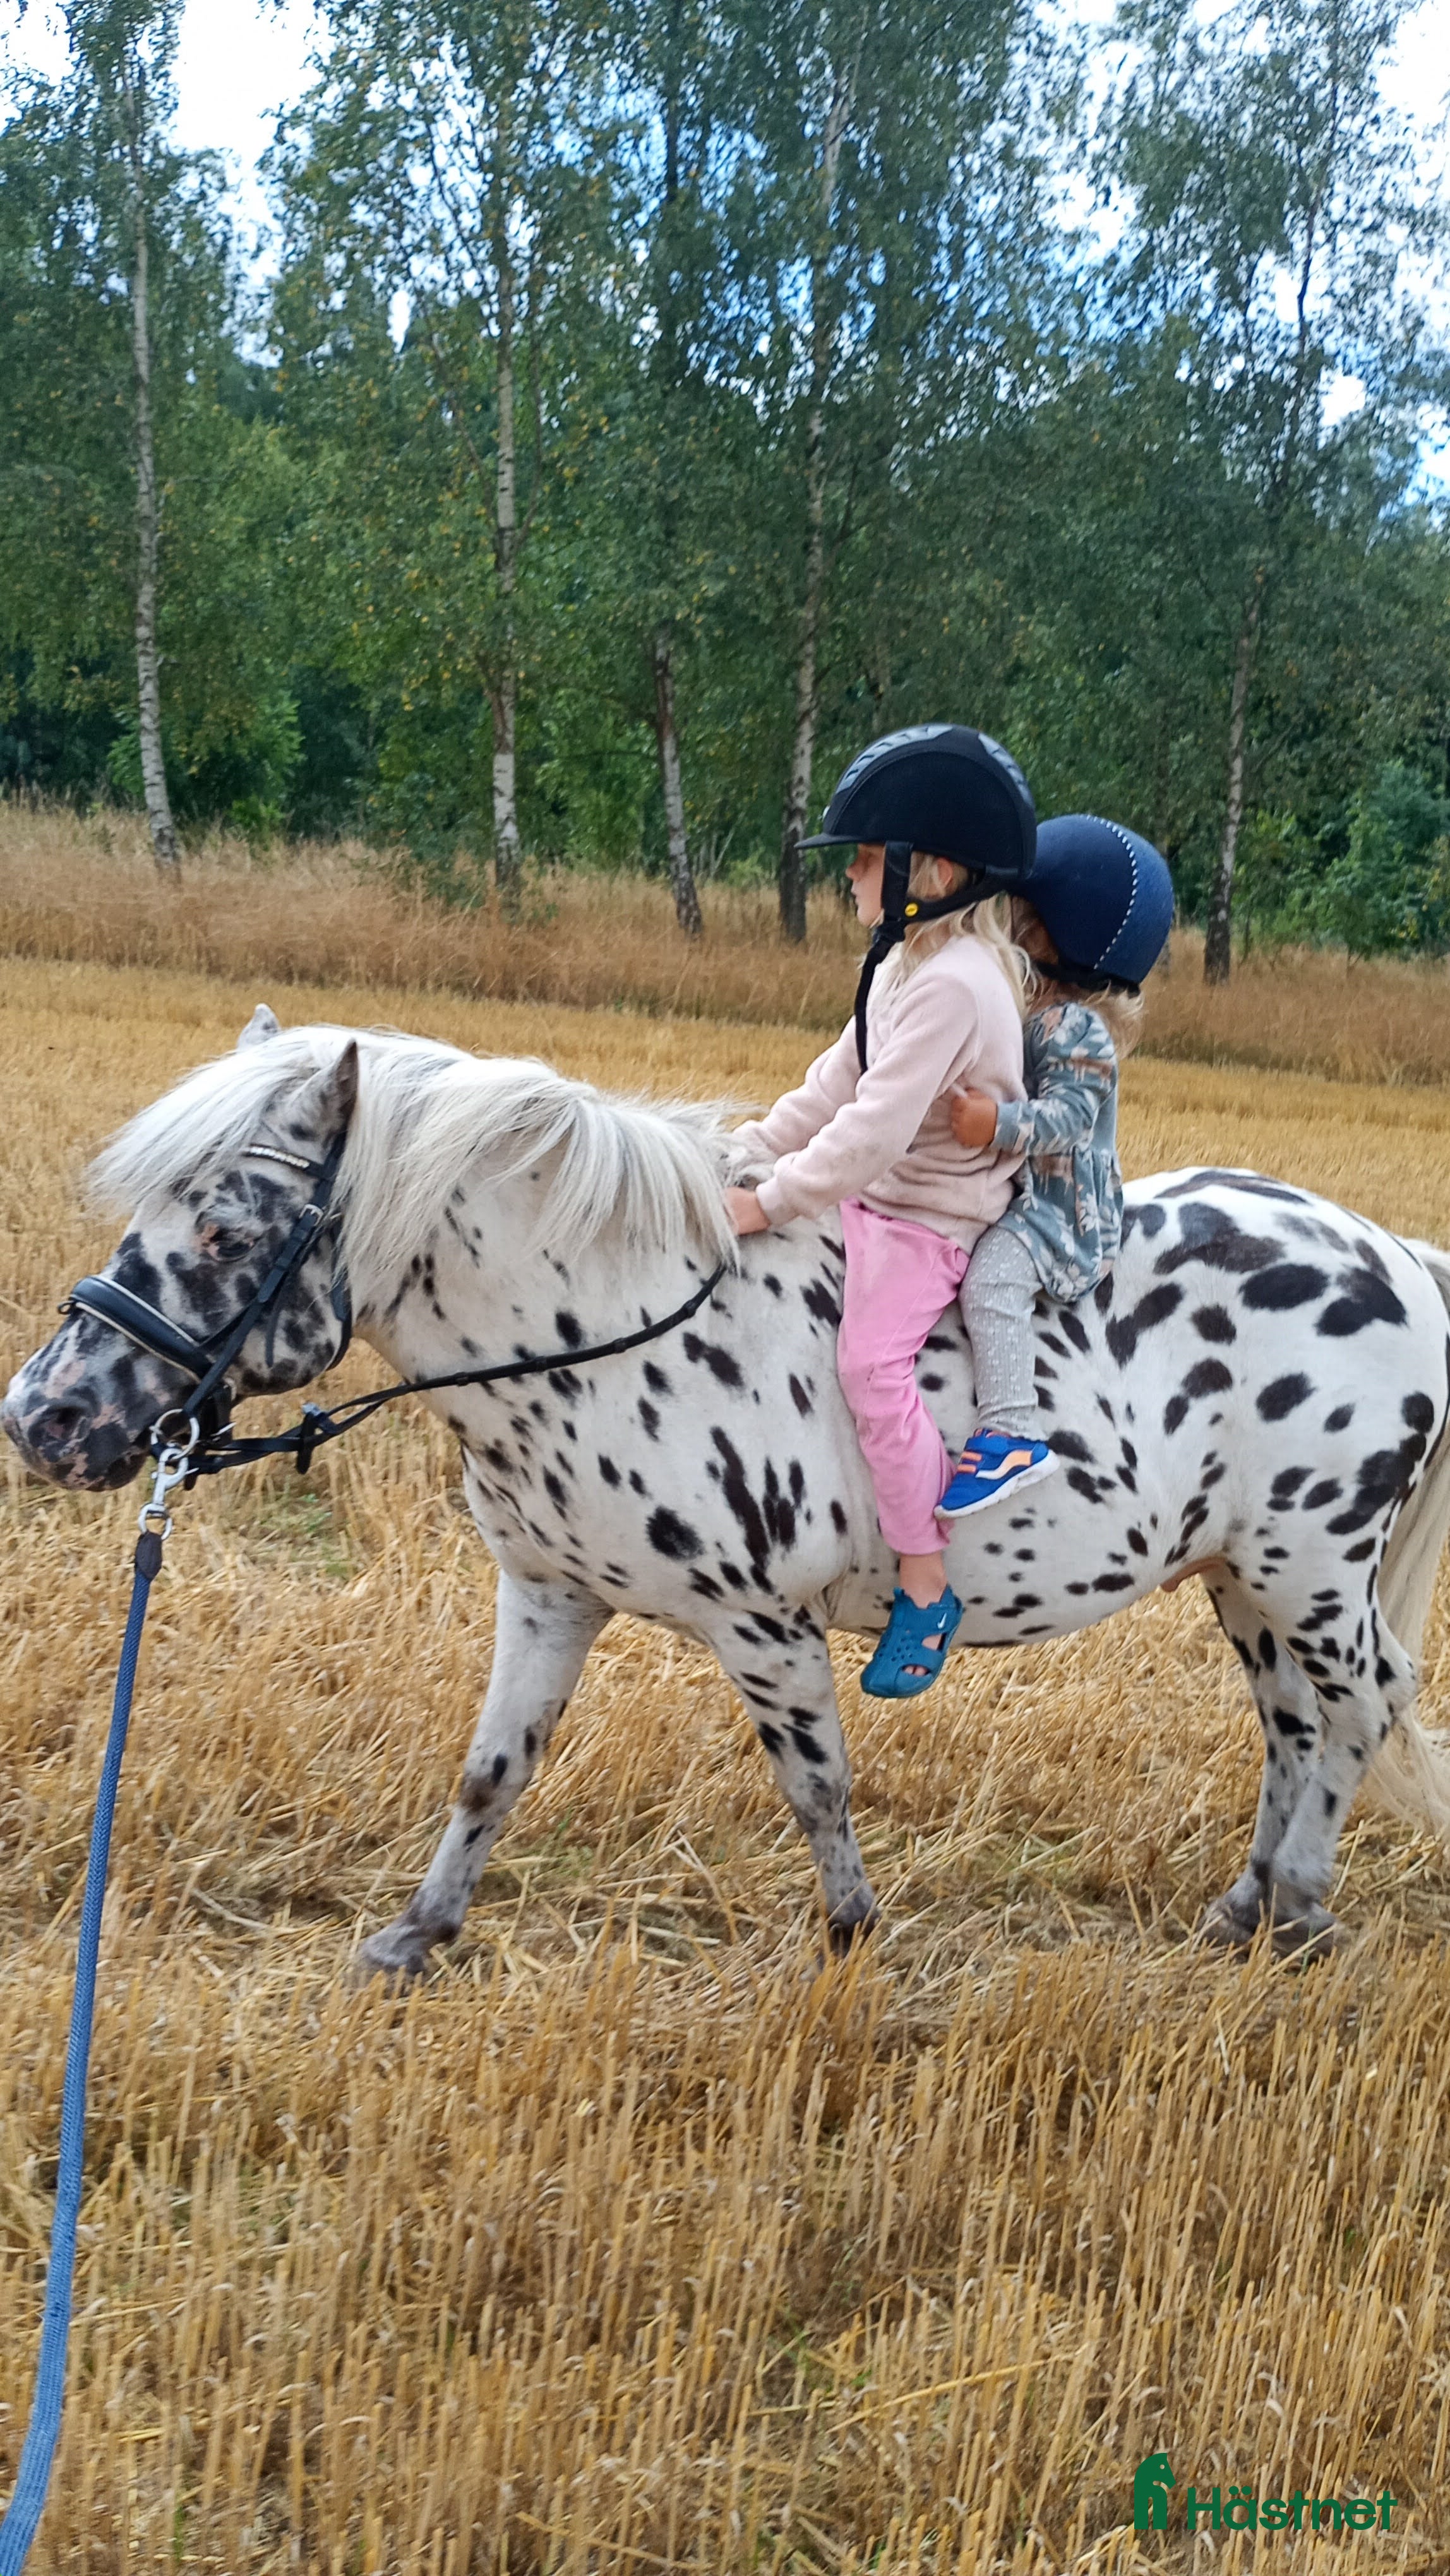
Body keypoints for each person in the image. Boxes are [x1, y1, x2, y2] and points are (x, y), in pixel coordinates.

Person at [724, 725, 1036, 1699]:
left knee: (867, 1364)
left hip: (929, 1219)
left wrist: (767, 1204)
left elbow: (872, 1134)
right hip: (874, 1197)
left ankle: (925, 1582)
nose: (850, 879)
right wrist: (738, 1154)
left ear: (931, 870)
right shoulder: (905, 963)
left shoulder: (955, 985)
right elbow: (830, 1091)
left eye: (863, 861)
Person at [937, 813, 1175, 1520]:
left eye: (1014, 912)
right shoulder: (1033, 1012)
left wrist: (994, 1125)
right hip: (1029, 1195)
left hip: (1059, 1214)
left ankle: (1011, 1429)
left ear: (1045, 935)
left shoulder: (1074, 1029)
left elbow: (1069, 1121)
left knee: (991, 1281)